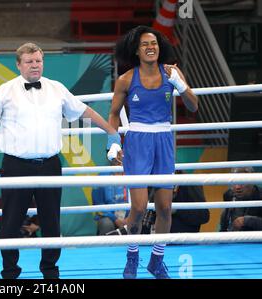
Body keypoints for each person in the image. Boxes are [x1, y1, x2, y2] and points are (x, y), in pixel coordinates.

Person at [0, 42, 120, 279]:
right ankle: (10, 273)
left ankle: (50, 271)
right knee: (10, 222)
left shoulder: (57, 89)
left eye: (38, 61)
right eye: (29, 61)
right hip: (15, 165)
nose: (34, 65)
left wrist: (111, 130)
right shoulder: (5, 90)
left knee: (51, 222)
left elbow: (84, 112)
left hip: (50, 165)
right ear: (18, 65)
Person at [108, 25, 198, 279]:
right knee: (137, 208)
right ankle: (132, 255)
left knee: (165, 208)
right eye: (145, 44)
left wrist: (180, 85)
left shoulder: (172, 72)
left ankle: (157, 260)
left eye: (154, 43)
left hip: (164, 140)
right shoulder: (126, 79)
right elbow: (114, 114)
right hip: (137, 140)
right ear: (136, 50)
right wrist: (113, 142)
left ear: (160, 48)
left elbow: (193, 106)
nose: (150, 47)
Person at [91, 159, 129, 235]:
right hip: (108, 217)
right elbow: (98, 204)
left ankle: (133, 246)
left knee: (140, 221)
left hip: (130, 216)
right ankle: (105, 246)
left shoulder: (133, 174)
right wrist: (115, 219)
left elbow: (139, 201)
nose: (119, 158)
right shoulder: (102, 176)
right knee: (106, 224)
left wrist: (131, 218)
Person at [220, 167, 262, 232]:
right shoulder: (228, 194)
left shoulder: (260, 196)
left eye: (242, 182)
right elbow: (225, 222)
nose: (238, 187)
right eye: (234, 181)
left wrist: (249, 221)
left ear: (253, 182)